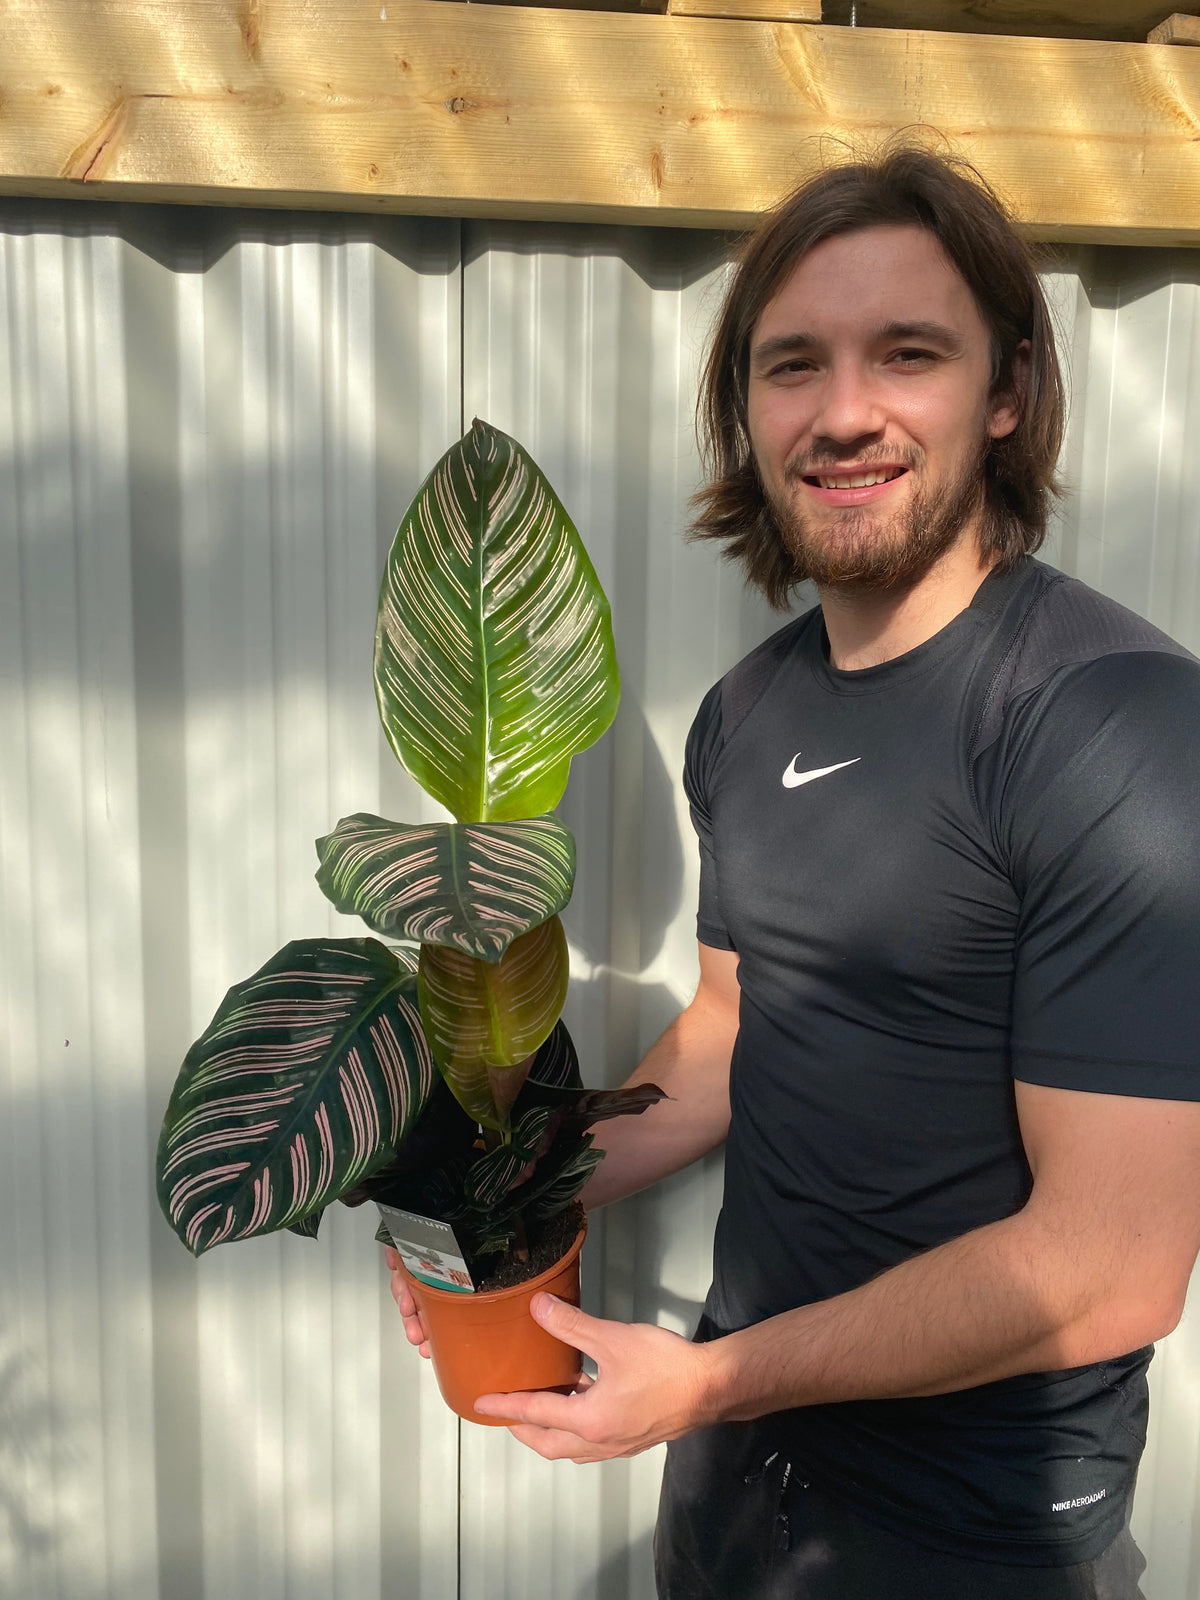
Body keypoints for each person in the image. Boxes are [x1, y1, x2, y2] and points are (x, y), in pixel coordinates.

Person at [388, 145, 1200, 1598]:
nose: (843, 413)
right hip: (734, 1511)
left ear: (1006, 393)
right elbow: (729, 1027)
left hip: (970, 1541)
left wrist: (706, 1385)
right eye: (792, 365)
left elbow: (1115, 1265)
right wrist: (495, 1211)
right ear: (745, 411)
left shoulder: (1108, 722)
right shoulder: (748, 714)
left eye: (908, 355)